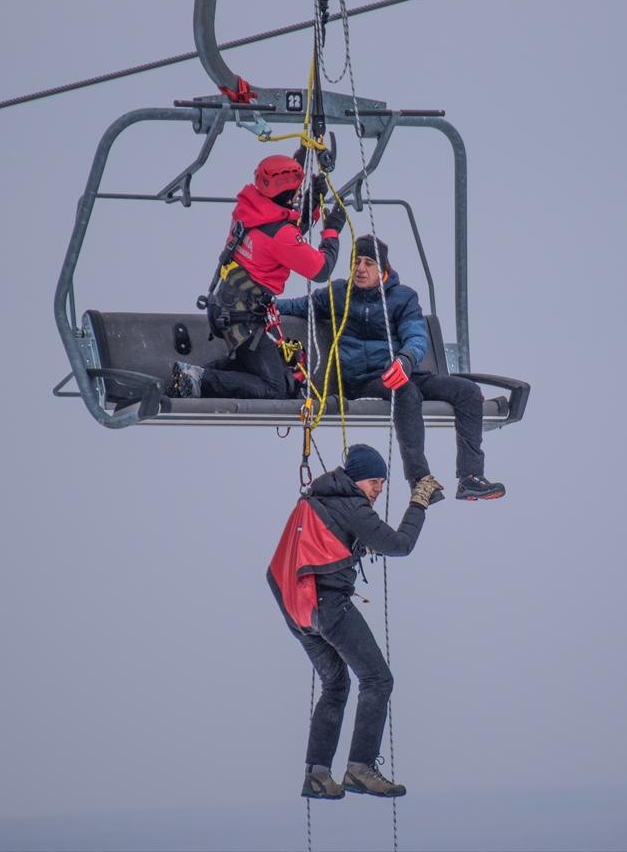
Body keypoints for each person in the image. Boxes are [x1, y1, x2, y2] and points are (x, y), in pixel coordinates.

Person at [267, 444, 443, 799]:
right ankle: (360, 769)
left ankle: (317, 775)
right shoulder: (352, 504)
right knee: (378, 679)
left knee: (335, 685)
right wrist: (419, 502)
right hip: (328, 603)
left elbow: (328, 540)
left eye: (382, 482)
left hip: (298, 609)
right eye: (375, 481)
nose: (379, 489)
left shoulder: (318, 498)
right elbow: (400, 544)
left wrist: (359, 546)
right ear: (357, 478)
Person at [277, 235, 506, 501]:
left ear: (383, 268)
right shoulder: (338, 293)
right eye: (356, 262)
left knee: (466, 391)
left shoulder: (403, 298)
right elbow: (295, 306)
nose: (360, 269)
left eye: (368, 263)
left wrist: (406, 359)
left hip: (403, 370)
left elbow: (416, 335)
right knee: (406, 392)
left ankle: (470, 477)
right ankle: (420, 480)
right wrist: (258, 304)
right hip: (362, 379)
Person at [165, 153, 346, 400]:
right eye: (296, 193)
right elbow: (321, 269)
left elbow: (284, 230)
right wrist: (332, 231)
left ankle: (191, 375)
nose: (297, 197)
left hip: (228, 308)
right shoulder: (279, 236)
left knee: (255, 367)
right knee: (275, 388)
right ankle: (201, 378)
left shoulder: (250, 209)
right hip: (244, 319)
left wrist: (310, 205)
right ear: (286, 195)